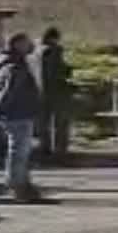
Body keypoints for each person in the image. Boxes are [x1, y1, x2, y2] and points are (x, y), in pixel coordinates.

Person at [0, 32, 42, 202]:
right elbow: (9, 92)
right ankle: (19, 187)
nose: (30, 45)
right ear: (17, 44)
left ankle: (21, 184)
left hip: (11, 114)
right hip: (18, 113)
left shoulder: (0, 63)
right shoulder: (15, 66)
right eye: (26, 43)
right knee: (19, 152)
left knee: (17, 151)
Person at [33, 26, 73, 164]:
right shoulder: (54, 51)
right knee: (60, 123)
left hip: (38, 92)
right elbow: (58, 72)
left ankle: (44, 149)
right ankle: (60, 152)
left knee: (43, 123)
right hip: (55, 91)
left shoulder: (35, 52)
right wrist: (67, 71)